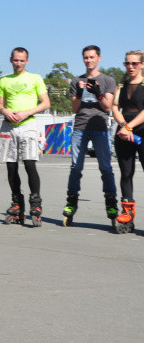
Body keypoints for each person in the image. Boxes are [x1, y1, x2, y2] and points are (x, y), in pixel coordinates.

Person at [62, 45, 117, 226]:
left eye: (92, 57)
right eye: (86, 58)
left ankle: (111, 202)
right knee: (76, 167)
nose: (89, 60)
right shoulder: (77, 80)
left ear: (99, 58)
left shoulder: (107, 80)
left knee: (106, 167)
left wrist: (98, 93)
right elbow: (75, 108)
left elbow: (108, 107)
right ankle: (71, 202)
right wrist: (79, 91)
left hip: (100, 127)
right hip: (80, 127)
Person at [0, 47, 50, 226]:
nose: (18, 63)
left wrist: (27, 112)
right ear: (10, 60)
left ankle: (35, 203)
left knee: (29, 163)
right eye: (15, 60)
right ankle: (16, 203)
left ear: (27, 61)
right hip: (9, 126)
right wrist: (5, 111)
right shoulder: (4, 81)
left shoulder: (35, 78)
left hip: (28, 124)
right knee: (11, 167)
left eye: (21, 60)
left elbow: (45, 103)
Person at [111, 50, 144, 233]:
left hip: (140, 129)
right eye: (127, 63)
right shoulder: (121, 85)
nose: (130, 67)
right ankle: (127, 213)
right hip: (124, 133)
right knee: (126, 173)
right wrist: (123, 125)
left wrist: (129, 126)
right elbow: (115, 108)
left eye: (134, 63)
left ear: (142, 64)